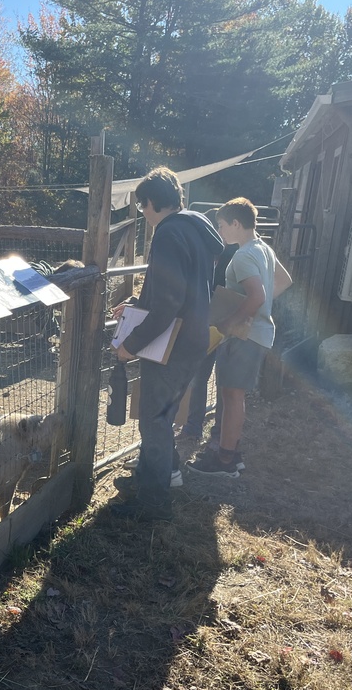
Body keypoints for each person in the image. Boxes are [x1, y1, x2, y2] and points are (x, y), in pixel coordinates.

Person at [111, 167, 223, 521]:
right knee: (165, 413)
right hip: (195, 337)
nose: (143, 213)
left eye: (143, 206)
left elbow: (171, 298)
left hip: (170, 342)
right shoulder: (196, 229)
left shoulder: (168, 234)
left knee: (154, 419)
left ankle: (153, 503)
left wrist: (133, 341)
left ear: (152, 202)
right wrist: (139, 304)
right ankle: (155, 475)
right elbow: (183, 290)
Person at [186, 197, 276, 478]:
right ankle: (230, 454)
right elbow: (279, 283)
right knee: (231, 394)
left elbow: (258, 296)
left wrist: (229, 321)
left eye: (223, 226)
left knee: (232, 396)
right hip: (255, 333)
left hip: (244, 335)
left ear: (236, 223)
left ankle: (224, 461)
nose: (220, 232)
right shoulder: (263, 249)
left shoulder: (244, 255)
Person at [178, 228, 240, 442]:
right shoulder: (205, 254)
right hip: (209, 321)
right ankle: (194, 426)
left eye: (222, 227)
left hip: (226, 320)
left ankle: (216, 432)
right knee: (199, 376)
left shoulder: (235, 255)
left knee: (220, 380)